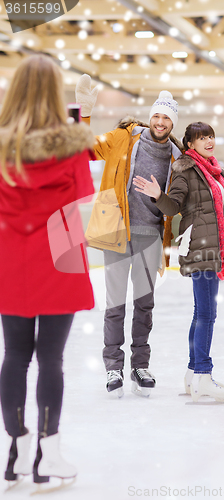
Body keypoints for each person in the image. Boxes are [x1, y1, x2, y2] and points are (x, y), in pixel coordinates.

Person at [0, 55, 96, 488]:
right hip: (59, 254)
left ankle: (18, 452)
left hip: (11, 259)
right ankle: (49, 453)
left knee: (15, 356)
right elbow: (82, 199)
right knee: (51, 358)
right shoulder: (73, 146)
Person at [133, 121, 224, 403]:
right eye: (202, 138)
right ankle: (203, 374)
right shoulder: (186, 171)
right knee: (206, 314)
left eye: (211, 136)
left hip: (215, 249)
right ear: (190, 144)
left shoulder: (215, 172)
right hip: (201, 249)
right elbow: (174, 207)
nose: (209, 141)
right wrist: (158, 197)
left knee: (201, 313)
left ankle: (193, 374)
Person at [76, 76, 183, 397]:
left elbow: (178, 202)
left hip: (152, 237)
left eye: (167, 117)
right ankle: (113, 367)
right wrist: (84, 113)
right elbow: (86, 149)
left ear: (172, 122)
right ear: (150, 117)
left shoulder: (177, 157)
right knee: (115, 305)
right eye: (157, 115)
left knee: (145, 304)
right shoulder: (124, 138)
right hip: (116, 231)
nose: (161, 121)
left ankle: (140, 364)